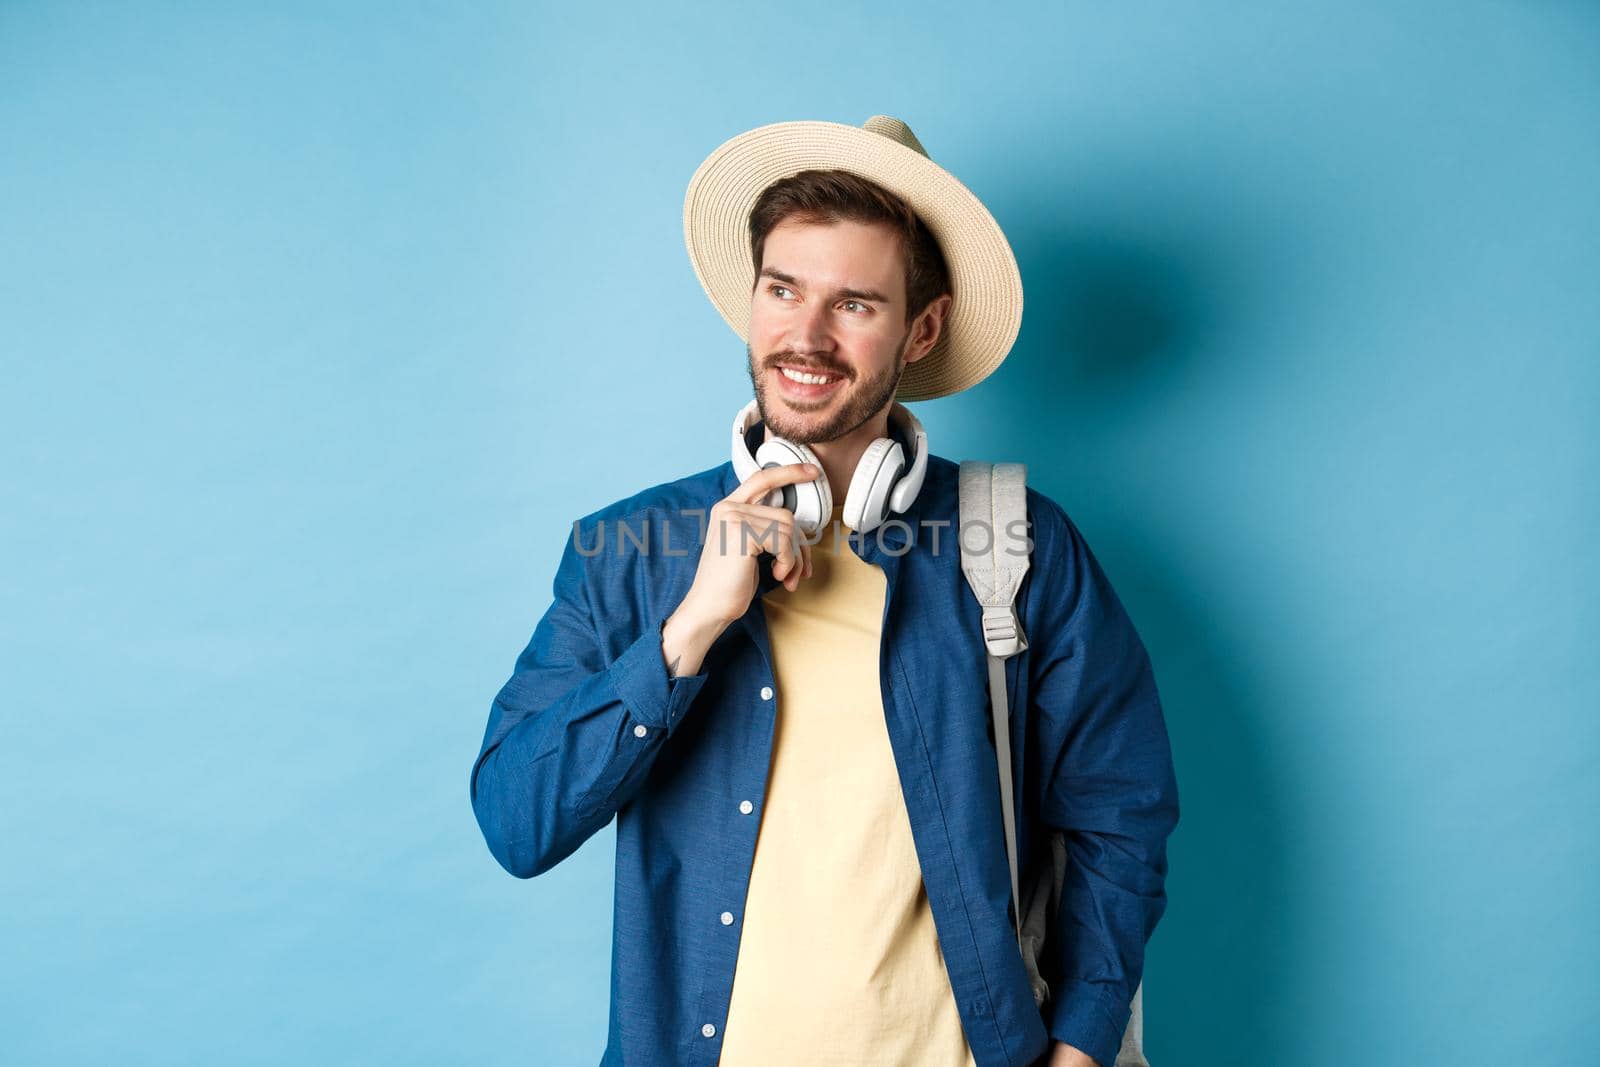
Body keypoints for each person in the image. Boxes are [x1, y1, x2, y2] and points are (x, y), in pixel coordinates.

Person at [469, 115, 1180, 1067]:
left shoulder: (1014, 543)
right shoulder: (628, 551)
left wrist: (1083, 1044)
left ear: (920, 328)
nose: (805, 336)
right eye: (783, 289)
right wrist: (688, 631)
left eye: (855, 304)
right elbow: (516, 822)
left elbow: (1119, 811)